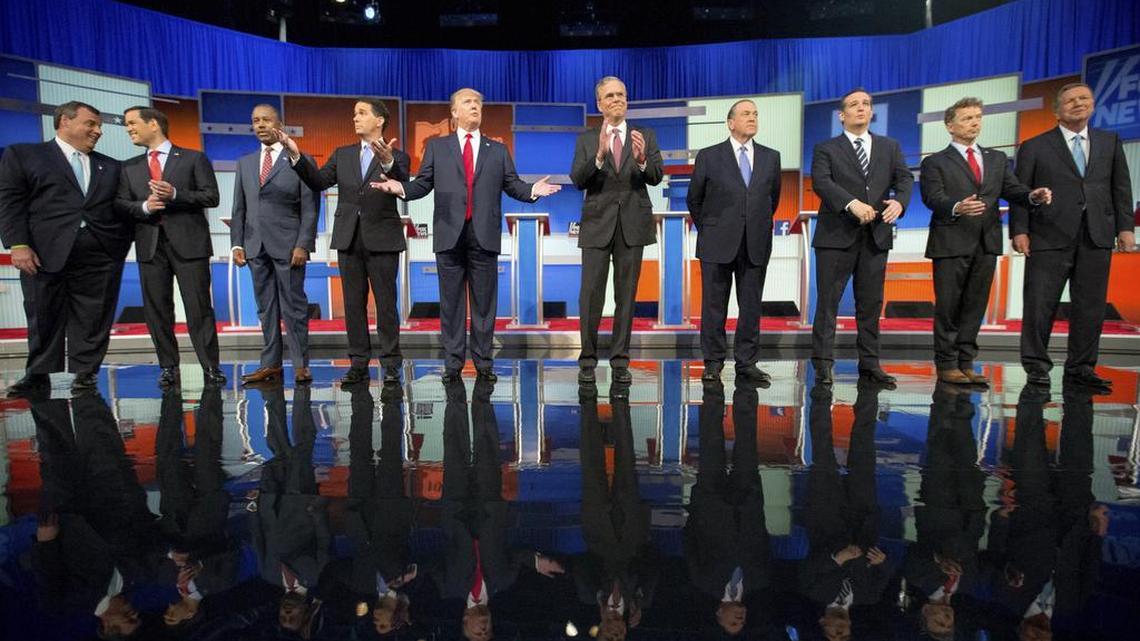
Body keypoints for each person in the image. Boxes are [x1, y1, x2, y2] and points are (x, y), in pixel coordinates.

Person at [374, 88, 560, 383]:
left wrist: (532, 191)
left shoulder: (497, 150)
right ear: (454, 113)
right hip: (449, 233)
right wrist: (401, 188)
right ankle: (453, 363)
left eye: (478, 103)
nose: (474, 106)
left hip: (484, 234)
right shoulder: (437, 147)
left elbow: (513, 185)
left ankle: (484, 363)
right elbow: (422, 184)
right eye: (467, 102)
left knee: (484, 305)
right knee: (451, 304)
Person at [0, 101, 133, 395]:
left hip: (100, 254)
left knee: (94, 315)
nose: (98, 131)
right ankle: (38, 375)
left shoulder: (111, 166)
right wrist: (18, 244)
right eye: (91, 124)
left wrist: (118, 247)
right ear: (65, 121)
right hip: (42, 253)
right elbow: (10, 203)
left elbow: (122, 209)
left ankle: (86, 374)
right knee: (42, 312)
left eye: (99, 126)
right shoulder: (23, 155)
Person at [1010, 82, 1135, 390]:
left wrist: (1126, 227)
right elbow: (1020, 192)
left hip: (1096, 235)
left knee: (1090, 306)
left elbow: (1121, 187)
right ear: (1057, 111)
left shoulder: (1109, 142)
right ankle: (1036, 367)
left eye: (1084, 98)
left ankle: (1081, 368)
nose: (1079, 104)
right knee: (1040, 304)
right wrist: (1020, 230)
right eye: (1071, 100)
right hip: (1048, 236)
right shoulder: (1034, 146)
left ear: (1092, 104)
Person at [277, 99, 410, 387]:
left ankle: (390, 365)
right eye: (354, 114)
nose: (355, 118)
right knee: (353, 304)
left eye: (362, 113)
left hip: (383, 239)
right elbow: (318, 181)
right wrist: (296, 155)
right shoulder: (343, 154)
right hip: (349, 238)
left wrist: (388, 161)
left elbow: (402, 181)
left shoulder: (397, 156)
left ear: (379, 120)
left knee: (386, 305)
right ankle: (358, 364)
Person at [920, 97, 1051, 386]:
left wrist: (1032, 196)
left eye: (978, 117)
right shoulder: (934, 162)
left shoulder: (996, 159)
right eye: (967, 118)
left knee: (975, 306)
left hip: (986, 242)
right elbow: (933, 198)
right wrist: (957, 206)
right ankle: (947, 364)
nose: (974, 123)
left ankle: (966, 362)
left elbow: (1013, 190)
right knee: (949, 307)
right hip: (950, 242)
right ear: (950, 125)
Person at [810, 88, 913, 388]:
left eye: (866, 104)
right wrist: (850, 203)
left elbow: (904, 179)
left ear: (871, 112)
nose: (861, 108)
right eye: (854, 104)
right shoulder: (826, 149)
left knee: (870, 305)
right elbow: (821, 182)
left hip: (875, 236)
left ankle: (870, 365)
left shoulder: (889, 147)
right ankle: (823, 365)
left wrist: (900, 202)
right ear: (841, 115)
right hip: (835, 237)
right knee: (828, 304)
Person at [117, 105, 226, 388]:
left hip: (190, 245)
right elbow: (120, 204)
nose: (128, 129)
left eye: (132, 123)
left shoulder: (193, 158)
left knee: (199, 308)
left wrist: (176, 194)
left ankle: (210, 367)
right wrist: (144, 206)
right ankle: (168, 367)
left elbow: (211, 196)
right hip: (150, 246)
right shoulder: (128, 167)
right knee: (157, 310)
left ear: (153, 124)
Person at [571, 76, 664, 386]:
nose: (616, 99)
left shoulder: (644, 136)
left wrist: (642, 161)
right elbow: (578, 179)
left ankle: (620, 361)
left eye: (621, 94)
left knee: (626, 296)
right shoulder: (587, 139)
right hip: (597, 224)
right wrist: (598, 156)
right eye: (610, 96)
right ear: (599, 104)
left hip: (633, 226)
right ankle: (587, 360)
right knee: (590, 296)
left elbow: (656, 176)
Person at [687, 99, 781, 384]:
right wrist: (712, 228)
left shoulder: (771, 157)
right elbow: (695, 199)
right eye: (746, 114)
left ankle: (747, 362)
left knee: (751, 305)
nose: (752, 118)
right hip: (716, 241)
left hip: (755, 242)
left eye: (755, 114)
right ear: (730, 123)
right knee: (714, 305)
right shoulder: (709, 156)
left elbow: (772, 199)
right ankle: (713, 362)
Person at [230, 104, 318, 385]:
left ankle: (301, 364)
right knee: (265, 308)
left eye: (266, 120)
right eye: (255, 120)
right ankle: (270, 364)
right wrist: (237, 244)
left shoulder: (299, 160)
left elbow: (310, 207)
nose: (260, 125)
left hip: (289, 246)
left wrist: (303, 244)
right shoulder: (245, 163)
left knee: (294, 307)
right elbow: (239, 208)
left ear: (280, 124)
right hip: (255, 246)